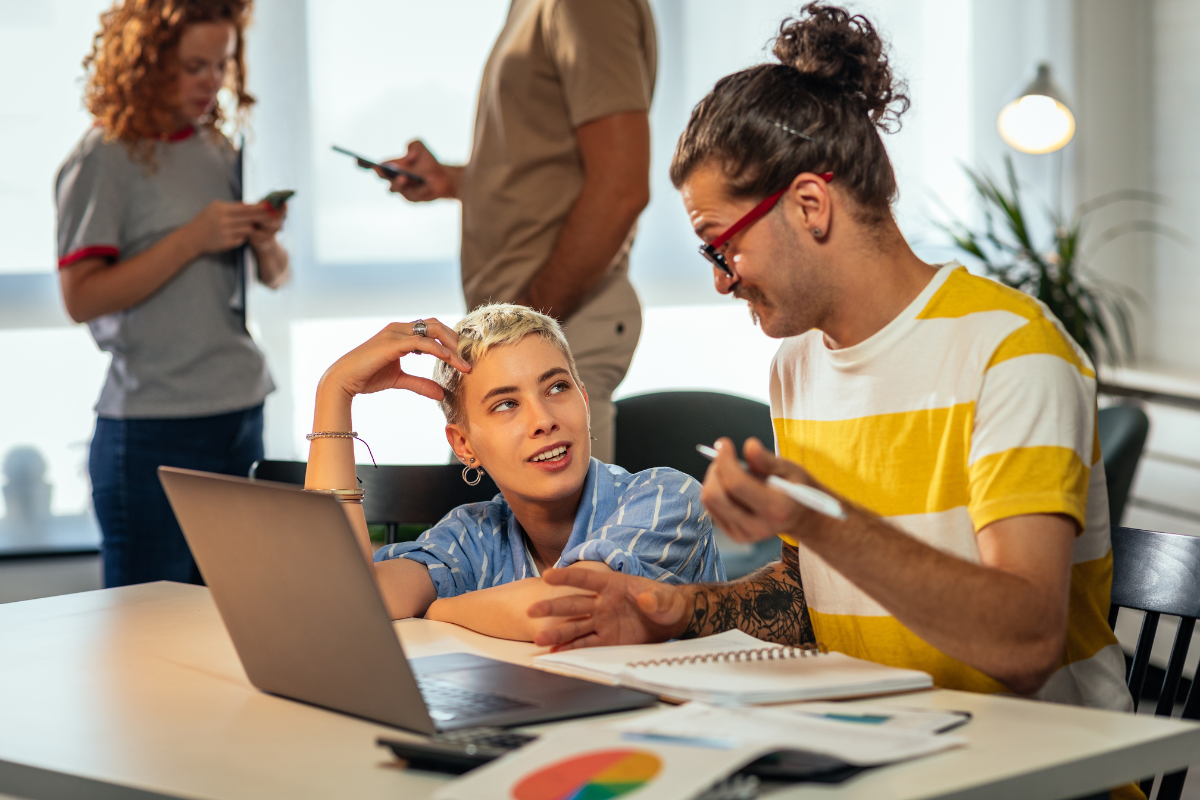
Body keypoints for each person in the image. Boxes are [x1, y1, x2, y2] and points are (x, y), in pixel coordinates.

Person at [528, 3, 1133, 720]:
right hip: (884, 741)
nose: (720, 279)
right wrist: (678, 609)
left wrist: (816, 519)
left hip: (1041, 760)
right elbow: (807, 591)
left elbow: (1024, 642)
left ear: (810, 205)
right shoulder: (799, 364)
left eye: (721, 245)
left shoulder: (1011, 351)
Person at [303, 304, 723, 642]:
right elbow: (344, 601)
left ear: (583, 401)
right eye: (506, 404)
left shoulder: (667, 498)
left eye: (556, 387)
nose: (543, 420)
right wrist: (335, 390)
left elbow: (571, 609)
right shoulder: (473, 536)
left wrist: (442, 608)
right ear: (464, 446)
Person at [55, 0, 288, 587]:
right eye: (193, 67)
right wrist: (192, 239)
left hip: (239, 409)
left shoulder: (218, 149)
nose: (211, 81)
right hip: (152, 429)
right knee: (148, 627)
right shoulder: (104, 156)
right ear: (147, 63)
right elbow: (80, 298)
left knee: (239, 611)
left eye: (221, 64)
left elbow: (274, 276)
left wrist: (262, 240)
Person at [375, 0, 657, 463]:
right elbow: (543, 165)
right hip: (522, 336)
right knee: (476, 501)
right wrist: (456, 180)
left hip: (556, 328)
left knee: (548, 512)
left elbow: (621, 187)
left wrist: (528, 325)